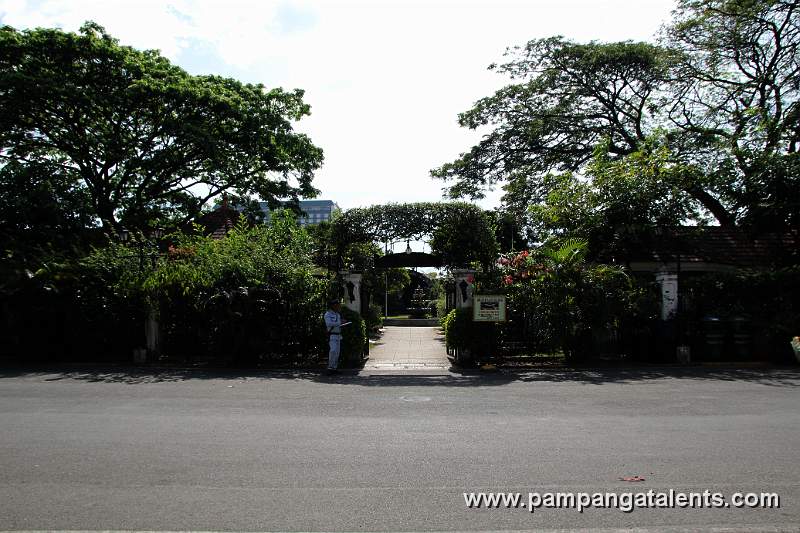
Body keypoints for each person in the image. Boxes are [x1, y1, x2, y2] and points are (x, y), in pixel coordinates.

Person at [324, 300, 350, 374]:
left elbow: (337, 324)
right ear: (333, 306)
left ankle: (334, 368)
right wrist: (340, 322)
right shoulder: (328, 314)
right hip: (332, 335)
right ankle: (330, 367)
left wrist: (343, 323)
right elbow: (328, 323)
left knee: (337, 353)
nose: (339, 307)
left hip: (338, 335)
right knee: (333, 351)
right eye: (338, 305)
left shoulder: (337, 315)